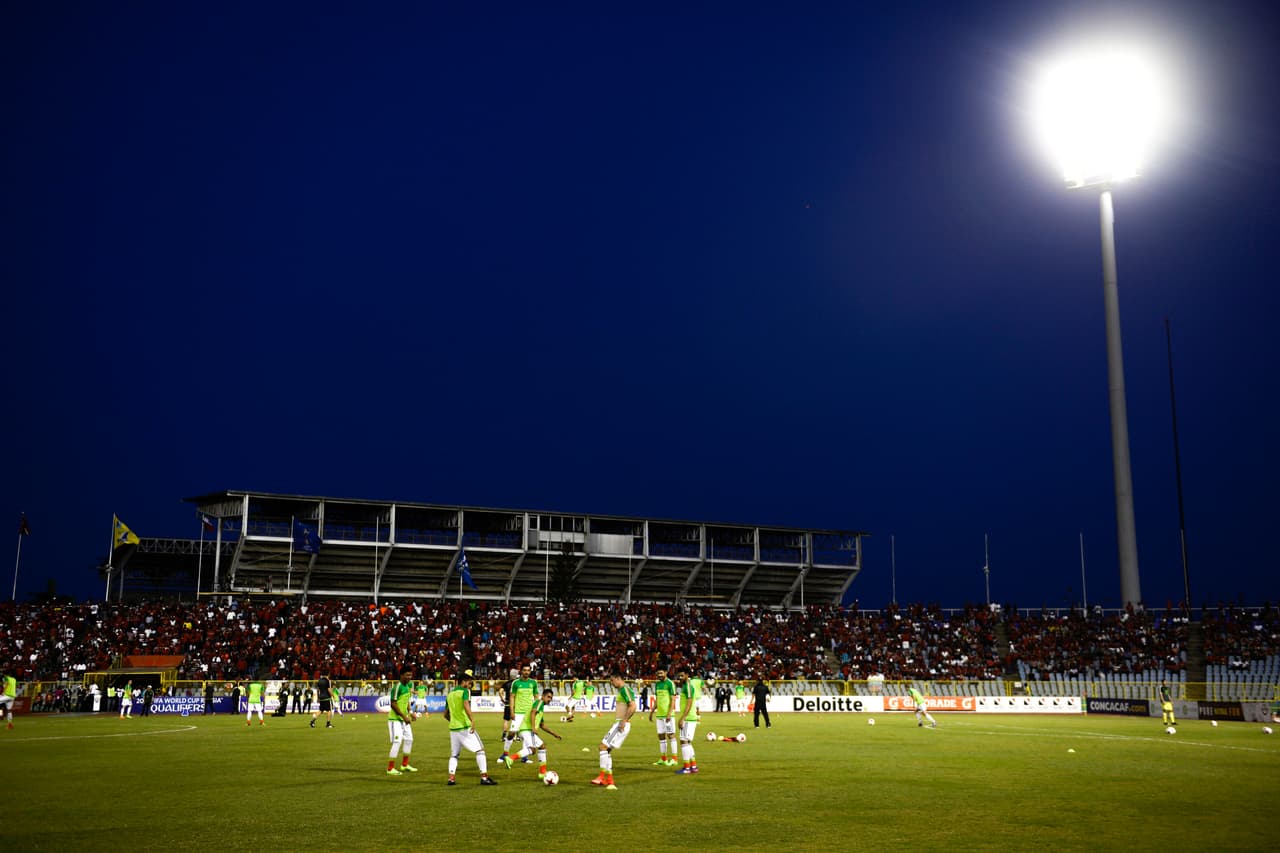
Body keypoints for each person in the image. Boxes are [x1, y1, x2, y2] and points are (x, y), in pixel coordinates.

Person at [445, 671, 497, 785]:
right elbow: (466, 705)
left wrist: (454, 721)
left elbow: (445, 714)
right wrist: (472, 720)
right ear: (463, 682)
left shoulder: (449, 695)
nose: (470, 686)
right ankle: (484, 778)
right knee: (480, 750)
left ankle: (451, 778)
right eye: (469, 683)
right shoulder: (465, 691)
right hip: (465, 727)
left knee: (454, 755)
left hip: (453, 729)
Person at [592, 670, 636, 790]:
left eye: (612, 680)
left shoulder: (625, 690)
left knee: (602, 747)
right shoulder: (622, 690)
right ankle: (609, 779)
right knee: (607, 751)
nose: (611, 683)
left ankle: (602, 777)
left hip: (620, 725)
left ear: (618, 678)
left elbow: (633, 706)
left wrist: (623, 721)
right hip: (621, 724)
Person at [514, 688, 563, 779]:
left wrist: (554, 734)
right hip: (527, 729)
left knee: (542, 746)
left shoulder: (541, 707)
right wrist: (533, 727)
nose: (549, 699)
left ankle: (542, 772)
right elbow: (533, 713)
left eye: (551, 698)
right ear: (543, 696)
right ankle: (511, 758)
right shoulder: (539, 703)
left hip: (527, 730)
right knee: (532, 750)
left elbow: (542, 725)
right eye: (548, 697)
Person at [502, 664, 539, 768]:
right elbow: (512, 697)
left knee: (527, 734)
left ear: (530, 671)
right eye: (524, 670)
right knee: (511, 734)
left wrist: (536, 710)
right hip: (518, 713)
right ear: (521, 671)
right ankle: (505, 754)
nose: (526, 672)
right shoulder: (516, 683)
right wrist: (512, 711)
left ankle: (524, 757)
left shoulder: (533, 683)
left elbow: (536, 697)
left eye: (528, 670)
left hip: (529, 714)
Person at [386, 670, 418, 776]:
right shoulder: (397, 687)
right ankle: (390, 768)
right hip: (395, 719)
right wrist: (404, 716)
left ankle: (404, 765)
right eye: (407, 674)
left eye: (410, 674)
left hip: (404, 719)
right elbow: (393, 704)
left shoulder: (408, 686)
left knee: (409, 739)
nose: (409, 677)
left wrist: (411, 712)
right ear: (401, 675)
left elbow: (407, 701)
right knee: (397, 742)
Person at [674, 669, 704, 775]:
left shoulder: (688, 687)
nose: (680, 678)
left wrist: (683, 718)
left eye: (682, 675)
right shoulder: (685, 686)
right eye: (679, 676)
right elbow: (678, 682)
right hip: (690, 718)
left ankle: (687, 768)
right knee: (688, 742)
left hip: (688, 718)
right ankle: (693, 766)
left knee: (683, 741)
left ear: (687, 675)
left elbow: (689, 703)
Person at [648, 667, 678, 767]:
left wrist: (669, 713)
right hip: (659, 714)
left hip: (668, 715)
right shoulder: (657, 684)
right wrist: (652, 711)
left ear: (666, 672)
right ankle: (663, 759)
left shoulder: (670, 683)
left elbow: (673, 699)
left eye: (661, 673)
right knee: (661, 736)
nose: (659, 675)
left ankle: (674, 759)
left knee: (671, 735)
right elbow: (657, 699)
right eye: (658, 673)